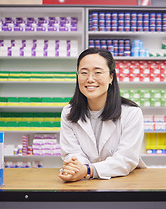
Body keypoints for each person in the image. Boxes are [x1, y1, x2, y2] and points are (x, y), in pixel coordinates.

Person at [59, 47, 146, 182]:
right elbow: (72, 153)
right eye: (83, 73)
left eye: (98, 72)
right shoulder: (68, 113)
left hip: (123, 182)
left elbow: (126, 159)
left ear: (111, 77)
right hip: (83, 184)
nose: (90, 79)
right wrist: (76, 168)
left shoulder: (131, 113)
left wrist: (88, 170)